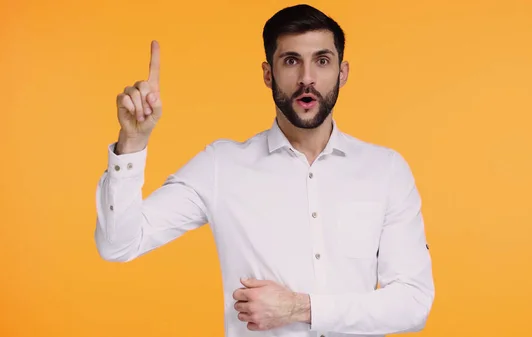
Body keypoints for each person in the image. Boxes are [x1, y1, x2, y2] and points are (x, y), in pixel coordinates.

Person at [94, 4, 434, 337]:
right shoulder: (222, 166)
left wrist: (300, 308)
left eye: (322, 61)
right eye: (291, 61)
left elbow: (413, 303)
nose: (307, 79)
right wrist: (132, 143)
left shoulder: (385, 170)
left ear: (342, 73)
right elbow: (119, 244)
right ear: (268, 74)